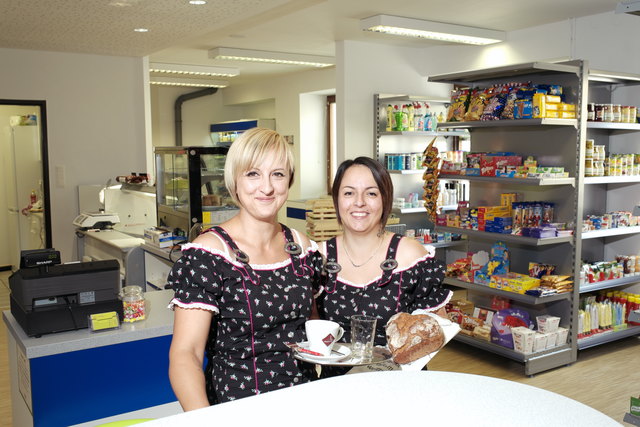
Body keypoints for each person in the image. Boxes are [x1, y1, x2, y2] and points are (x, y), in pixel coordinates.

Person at [167, 128, 322, 410]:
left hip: (303, 404)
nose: (267, 187)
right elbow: (185, 355)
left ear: (289, 181)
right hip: (237, 407)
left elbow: (312, 328)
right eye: (253, 174)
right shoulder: (210, 254)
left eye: (278, 174)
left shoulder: (302, 247)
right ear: (234, 182)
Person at [316, 156, 451, 349]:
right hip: (338, 378)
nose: (359, 202)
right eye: (348, 193)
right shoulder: (319, 257)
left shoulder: (410, 255)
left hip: (398, 376)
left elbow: (437, 329)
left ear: (385, 198)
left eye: (371, 194)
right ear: (337, 199)